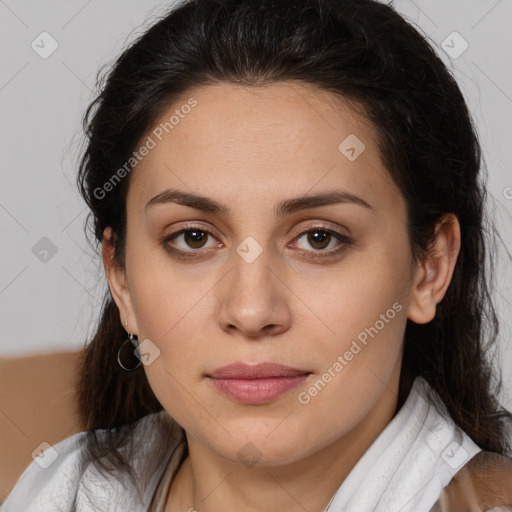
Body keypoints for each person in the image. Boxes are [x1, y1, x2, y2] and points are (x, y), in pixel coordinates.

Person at [2, 0, 512, 510]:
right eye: (193, 238)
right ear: (121, 278)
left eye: (319, 238)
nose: (251, 311)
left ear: (430, 267)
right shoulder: (63, 492)